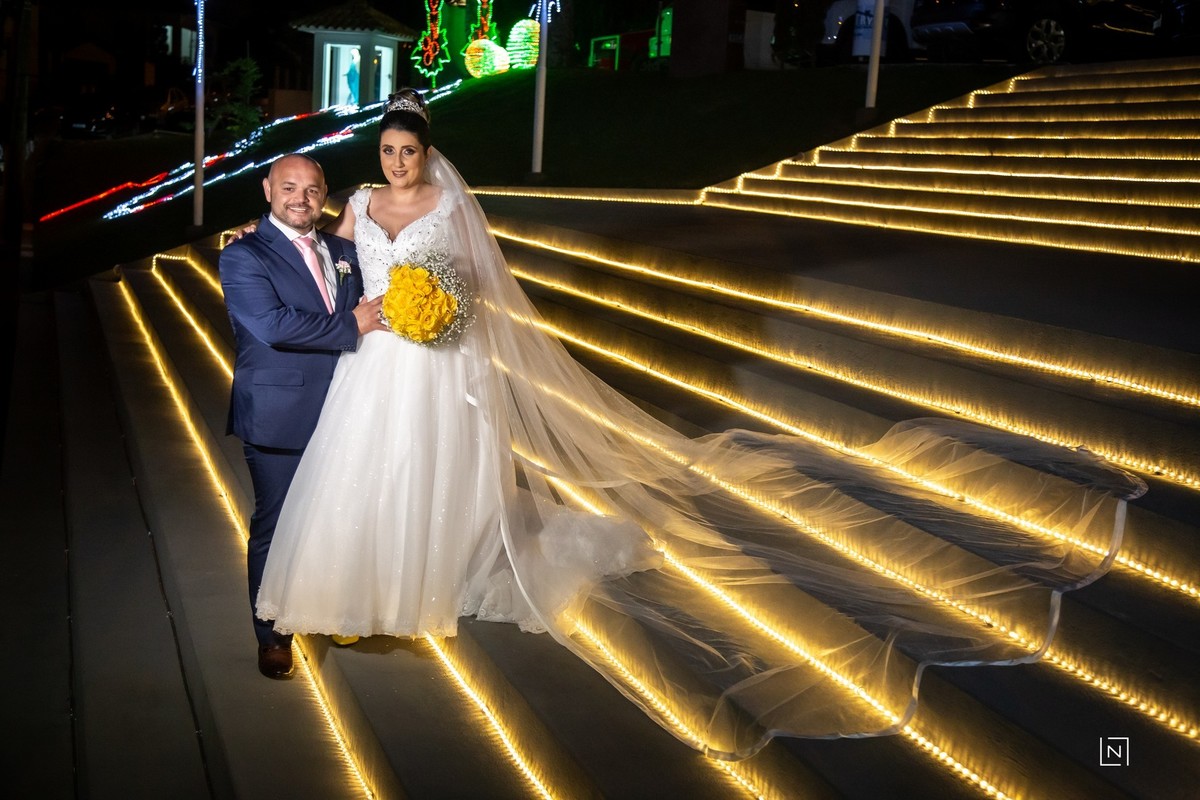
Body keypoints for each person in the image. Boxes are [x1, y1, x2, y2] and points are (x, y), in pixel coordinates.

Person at [250, 90, 1143, 756]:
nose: (398, 162)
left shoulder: (449, 206)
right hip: (374, 361)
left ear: (428, 153)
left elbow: (479, 287)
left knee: (430, 467)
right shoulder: (356, 205)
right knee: (370, 468)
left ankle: (424, 573)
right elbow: (332, 260)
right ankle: (366, 577)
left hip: (438, 360)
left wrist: (441, 311)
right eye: (388, 150)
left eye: (408, 151)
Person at [219, 153, 386, 679]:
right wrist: (351, 326)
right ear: (267, 189)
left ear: (324, 193)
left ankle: (327, 607)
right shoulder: (242, 254)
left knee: (338, 516)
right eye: (289, 187)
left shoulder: (344, 250)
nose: (301, 198)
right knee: (276, 525)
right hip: (280, 412)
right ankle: (272, 635)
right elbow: (272, 324)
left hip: (347, 408)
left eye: (312, 189)